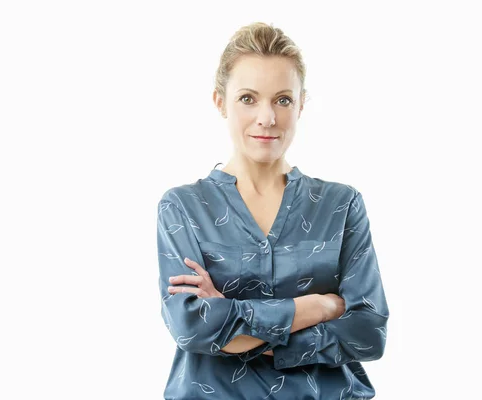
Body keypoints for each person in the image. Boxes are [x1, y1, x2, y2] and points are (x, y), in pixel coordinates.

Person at [156, 22, 389, 400]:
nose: (267, 118)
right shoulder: (182, 208)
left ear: (300, 104)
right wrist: (319, 306)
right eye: (248, 98)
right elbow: (193, 327)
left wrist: (233, 320)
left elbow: (368, 332)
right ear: (220, 102)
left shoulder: (341, 205)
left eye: (282, 99)